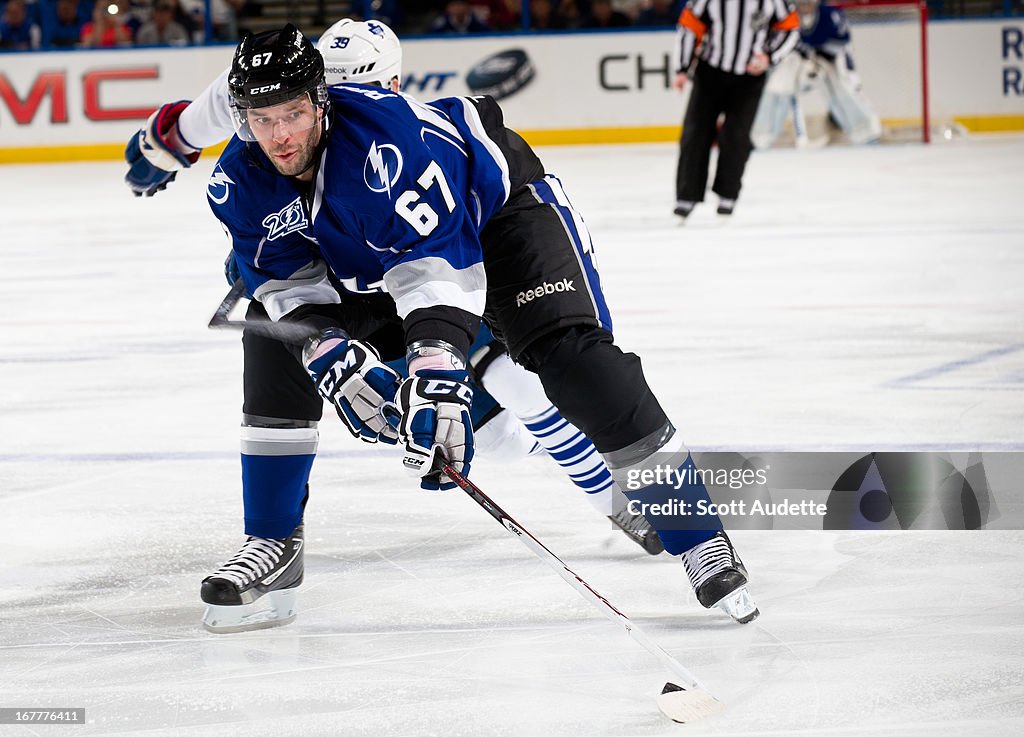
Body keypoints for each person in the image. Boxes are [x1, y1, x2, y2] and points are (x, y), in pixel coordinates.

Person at [125, 21, 760, 632]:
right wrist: (330, 356)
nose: (279, 133)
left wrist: (433, 368)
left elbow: (435, 271)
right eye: (261, 120)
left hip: (499, 220)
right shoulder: (242, 163)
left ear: (323, 98)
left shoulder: (381, 147)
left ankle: (697, 536)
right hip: (374, 247)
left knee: (570, 362)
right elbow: (287, 277)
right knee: (273, 329)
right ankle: (271, 539)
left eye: (293, 113)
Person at [671, 0, 800, 220]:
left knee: (737, 136)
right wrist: (682, 67)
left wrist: (770, 56)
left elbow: (791, 29)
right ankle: (687, 196)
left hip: (750, 77)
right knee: (695, 133)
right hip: (710, 72)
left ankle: (727, 195)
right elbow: (689, 26)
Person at [751, 0, 882, 148]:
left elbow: (842, 43)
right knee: (777, 85)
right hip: (798, 59)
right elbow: (777, 45)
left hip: (829, 59)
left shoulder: (831, 15)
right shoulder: (785, 16)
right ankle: (760, 137)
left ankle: (866, 134)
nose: (805, 5)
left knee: (842, 88)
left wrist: (822, 59)